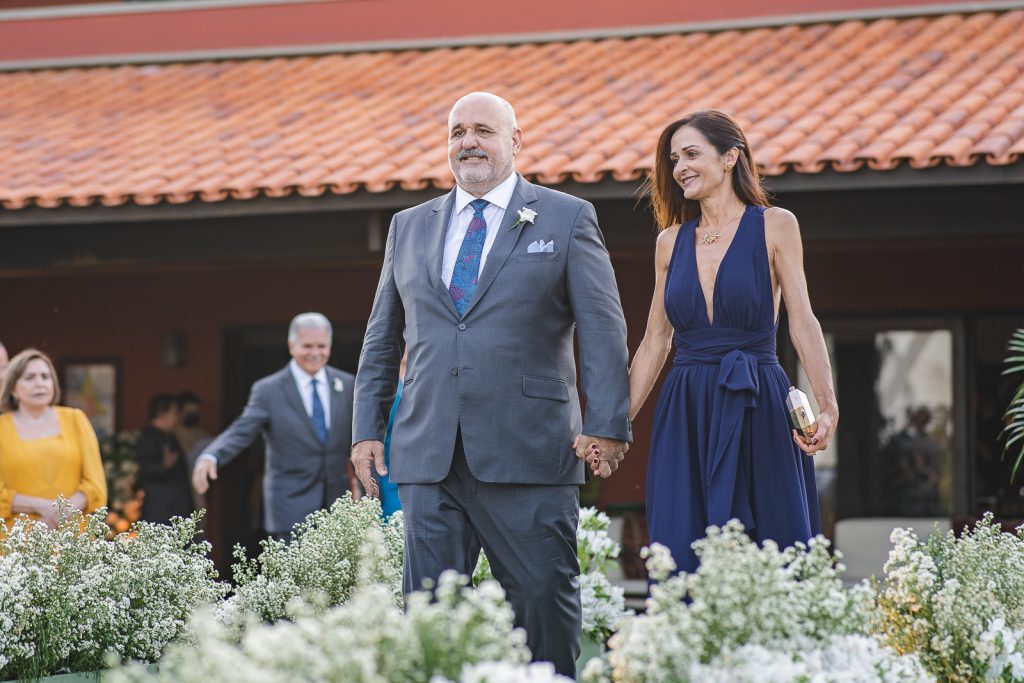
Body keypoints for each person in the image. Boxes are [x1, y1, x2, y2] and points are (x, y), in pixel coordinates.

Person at [351, 91, 631, 677]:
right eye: (457, 132)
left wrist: (607, 423)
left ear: (515, 141)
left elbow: (603, 329)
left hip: (528, 449)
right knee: (428, 621)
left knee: (543, 613)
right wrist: (366, 431)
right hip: (428, 456)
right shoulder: (408, 227)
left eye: (482, 130)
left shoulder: (566, 216)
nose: (468, 142)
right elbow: (383, 336)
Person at [622, 110, 838, 574]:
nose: (680, 167)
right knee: (681, 543)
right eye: (674, 158)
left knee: (774, 544)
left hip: (759, 399)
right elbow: (654, 343)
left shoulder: (776, 225)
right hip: (686, 409)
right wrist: (612, 424)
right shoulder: (669, 242)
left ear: (730, 157)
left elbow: (802, 322)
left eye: (692, 154)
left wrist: (827, 405)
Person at [192, 312, 355, 540]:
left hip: (338, 504)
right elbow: (242, 430)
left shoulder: (347, 384)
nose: (315, 353)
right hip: (290, 506)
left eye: (322, 346)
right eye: (308, 346)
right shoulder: (268, 390)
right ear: (292, 346)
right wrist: (211, 456)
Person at [0, 348, 107, 528]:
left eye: (45, 376)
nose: (39, 383)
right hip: (17, 540)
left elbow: (95, 484)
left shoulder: (75, 419)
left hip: (72, 537)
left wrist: (58, 514)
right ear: (13, 388)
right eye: (29, 378)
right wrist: (42, 507)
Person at [136, 393, 193, 524]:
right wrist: (164, 466)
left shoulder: (169, 436)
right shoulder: (149, 437)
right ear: (162, 413)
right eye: (174, 413)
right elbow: (145, 469)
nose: (177, 418)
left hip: (176, 506)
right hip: (160, 510)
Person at [174, 391, 212, 514]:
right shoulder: (171, 435)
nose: (193, 416)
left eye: (196, 412)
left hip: (196, 488)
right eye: (189, 413)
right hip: (176, 489)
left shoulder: (203, 436)